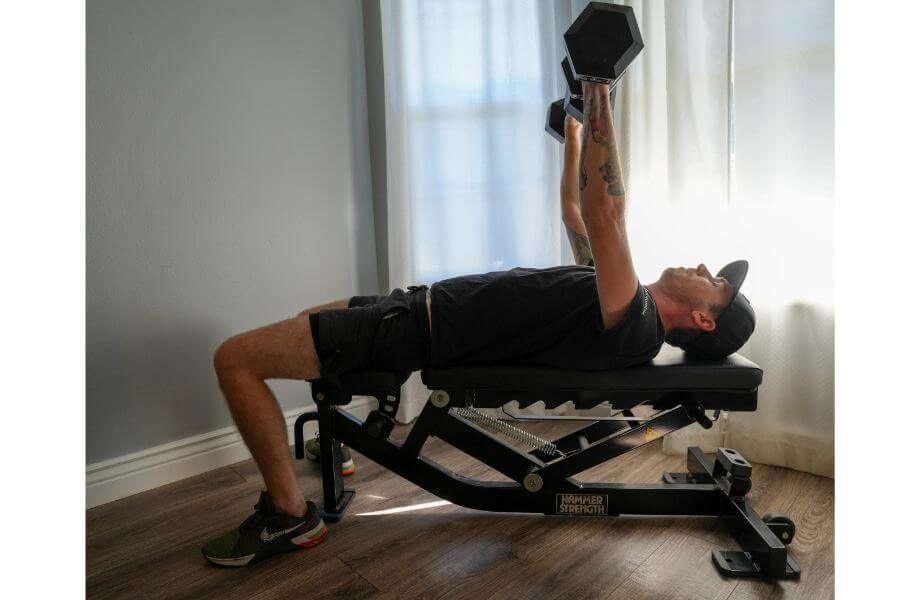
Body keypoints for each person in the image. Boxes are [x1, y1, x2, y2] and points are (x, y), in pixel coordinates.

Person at [200, 82, 755, 567]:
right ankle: (342, 445)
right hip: (413, 306)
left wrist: (598, 87)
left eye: (717, 284)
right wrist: (573, 132)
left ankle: (290, 513)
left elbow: (606, 210)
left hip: (415, 329)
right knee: (307, 322)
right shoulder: (622, 298)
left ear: (704, 318)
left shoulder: (635, 320)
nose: (705, 268)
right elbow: (577, 211)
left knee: (235, 358)